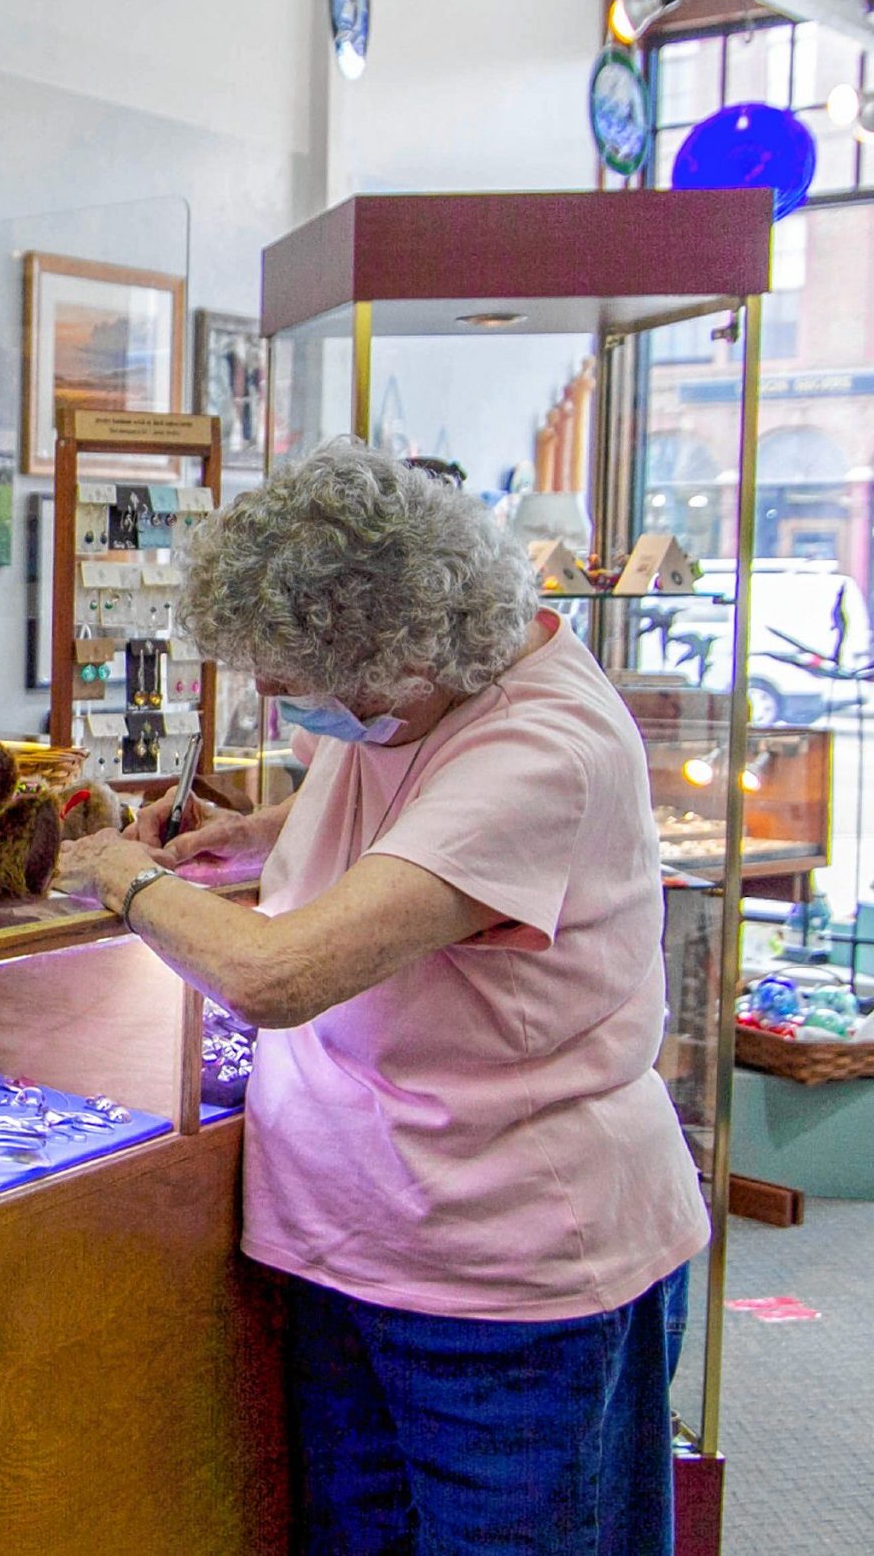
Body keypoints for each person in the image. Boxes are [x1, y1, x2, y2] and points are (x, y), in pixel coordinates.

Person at [62, 443, 706, 1555]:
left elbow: (277, 974)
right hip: (359, 1237)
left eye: (305, 678)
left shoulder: (542, 749)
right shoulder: (441, 686)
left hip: (506, 1278)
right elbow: (395, 801)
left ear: (405, 648)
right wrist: (256, 839)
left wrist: (127, 876)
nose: (277, 695)